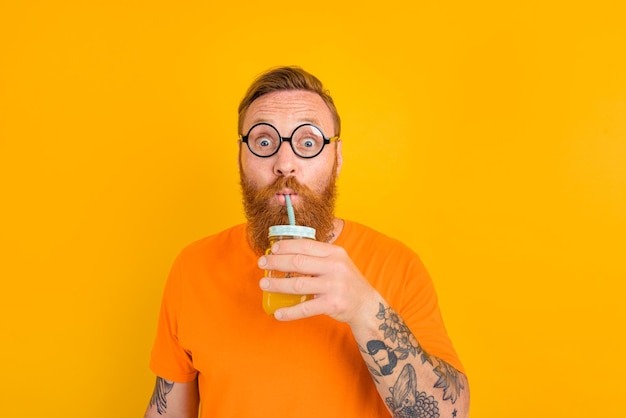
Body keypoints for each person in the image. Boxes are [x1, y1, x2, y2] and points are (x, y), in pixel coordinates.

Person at [144, 66, 470, 418]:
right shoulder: (193, 267)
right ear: (240, 156)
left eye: (308, 143)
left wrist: (364, 309)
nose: (285, 164)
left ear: (337, 157)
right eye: (264, 142)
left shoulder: (398, 265)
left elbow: (450, 414)